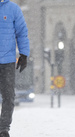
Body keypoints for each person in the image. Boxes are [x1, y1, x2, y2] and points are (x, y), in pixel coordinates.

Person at [0, 0, 30, 137]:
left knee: (8, 95)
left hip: (7, 61)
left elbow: (22, 32)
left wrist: (24, 54)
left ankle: (3, 128)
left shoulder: (13, 9)